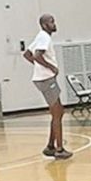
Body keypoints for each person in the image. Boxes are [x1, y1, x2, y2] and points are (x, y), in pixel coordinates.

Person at [24, 13, 71, 160]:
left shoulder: (41, 36)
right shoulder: (44, 37)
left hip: (43, 78)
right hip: (46, 79)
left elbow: (26, 54)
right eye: (51, 22)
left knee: (58, 112)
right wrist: (50, 67)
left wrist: (39, 67)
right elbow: (37, 55)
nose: (54, 24)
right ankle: (59, 149)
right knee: (57, 113)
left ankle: (50, 146)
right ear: (45, 25)